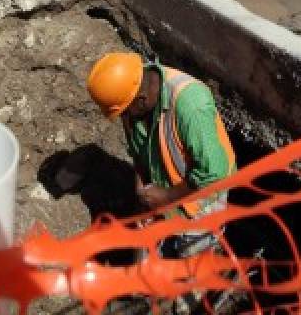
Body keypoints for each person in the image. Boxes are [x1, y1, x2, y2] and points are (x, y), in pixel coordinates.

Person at [87, 52, 237, 255]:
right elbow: (138, 152)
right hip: (164, 186)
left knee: (191, 254)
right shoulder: (132, 101)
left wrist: (167, 196)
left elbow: (214, 173)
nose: (124, 117)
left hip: (203, 193)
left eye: (124, 112)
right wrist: (143, 193)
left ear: (141, 100)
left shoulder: (191, 105)